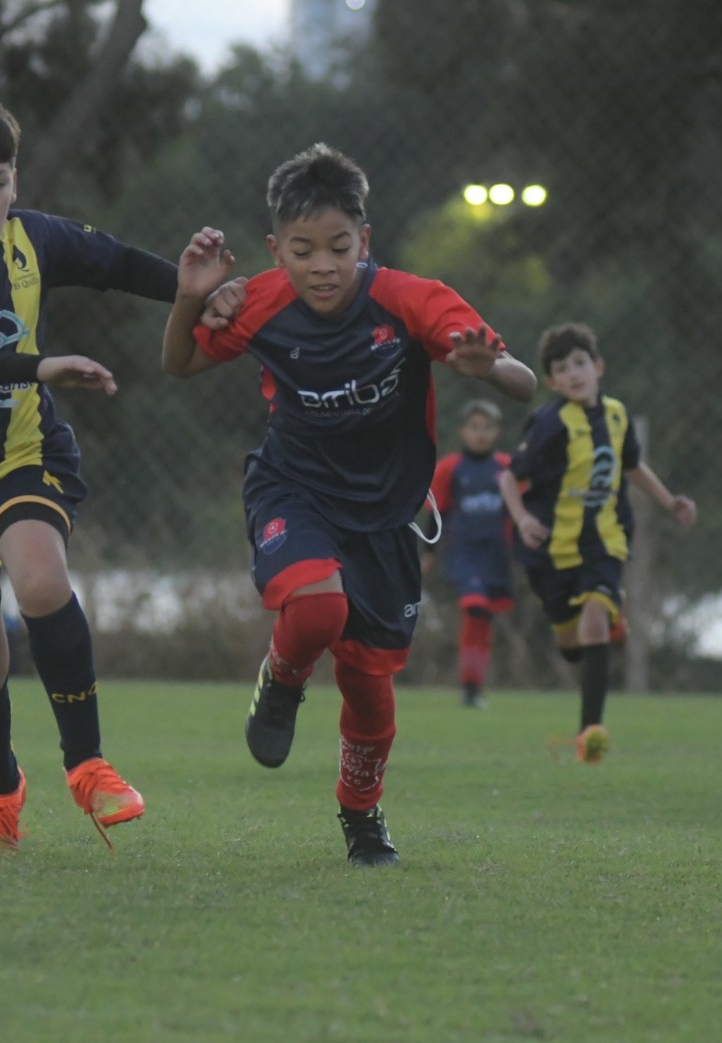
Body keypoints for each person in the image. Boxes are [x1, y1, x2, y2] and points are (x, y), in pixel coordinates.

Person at [162, 142, 538, 867]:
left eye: (339, 247)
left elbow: (521, 380)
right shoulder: (262, 303)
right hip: (292, 488)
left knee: (369, 686)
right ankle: (283, 677)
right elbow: (178, 363)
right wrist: (188, 298)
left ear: (365, 242)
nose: (322, 265)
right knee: (314, 610)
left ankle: (360, 814)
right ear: (276, 251)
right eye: (302, 250)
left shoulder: (410, 300)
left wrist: (489, 367)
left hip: (385, 516)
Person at [0, 89, 233, 855]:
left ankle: (87, 765)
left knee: (42, 579)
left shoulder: (32, 240)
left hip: (22, 456)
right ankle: (2, 791)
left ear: (15, 184)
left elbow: (110, 262)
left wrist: (191, 289)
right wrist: (39, 363)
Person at [499, 323, 697, 763]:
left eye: (580, 363)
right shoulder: (550, 423)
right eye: (561, 369)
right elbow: (510, 478)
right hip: (552, 549)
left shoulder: (616, 415)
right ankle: (607, 619)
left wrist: (670, 502)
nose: (573, 374)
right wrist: (523, 517)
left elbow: (632, 466)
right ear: (550, 381)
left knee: (593, 622)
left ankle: (590, 733)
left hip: (604, 541)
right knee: (571, 646)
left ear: (598, 366)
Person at [425, 399, 518, 709]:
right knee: (474, 606)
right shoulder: (450, 468)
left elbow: (519, 511)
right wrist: (429, 552)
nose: (481, 434)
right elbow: (435, 513)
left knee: (482, 620)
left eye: (487, 428)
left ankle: (472, 687)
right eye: (475, 427)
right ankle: (469, 686)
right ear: (464, 431)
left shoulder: (506, 469)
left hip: (495, 556)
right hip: (464, 554)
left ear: (497, 432)